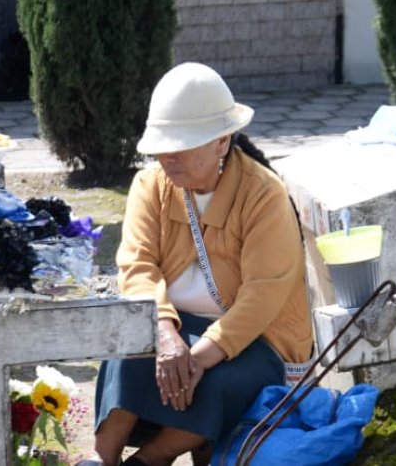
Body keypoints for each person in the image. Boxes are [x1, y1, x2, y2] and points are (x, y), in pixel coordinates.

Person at [80, 62, 314, 466]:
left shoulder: (263, 194)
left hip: (256, 340)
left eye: (182, 144)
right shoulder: (149, 186)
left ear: (222, 142)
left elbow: (263, 295)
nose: (167, 157)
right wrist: (166, 334)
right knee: (128, 352)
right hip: (173, 326)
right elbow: (137, 267)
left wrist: (196, 357)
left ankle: (148, 461)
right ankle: (102, 457)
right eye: (162, 145)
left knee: (217, 383)